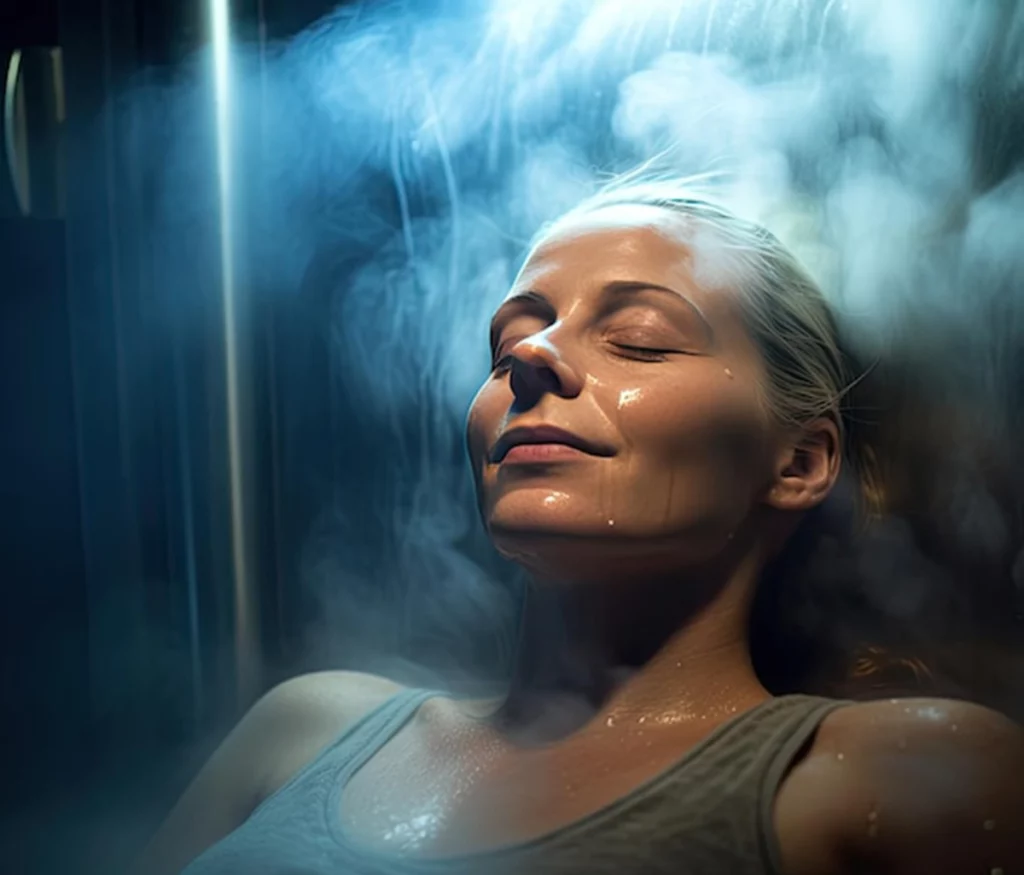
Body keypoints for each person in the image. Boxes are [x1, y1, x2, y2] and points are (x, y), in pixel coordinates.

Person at [136, 181, 1024, 875]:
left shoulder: (903, 774)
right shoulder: (306, 730)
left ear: (798, 463)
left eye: (638, 338)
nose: (529, 356)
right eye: (509, 342)